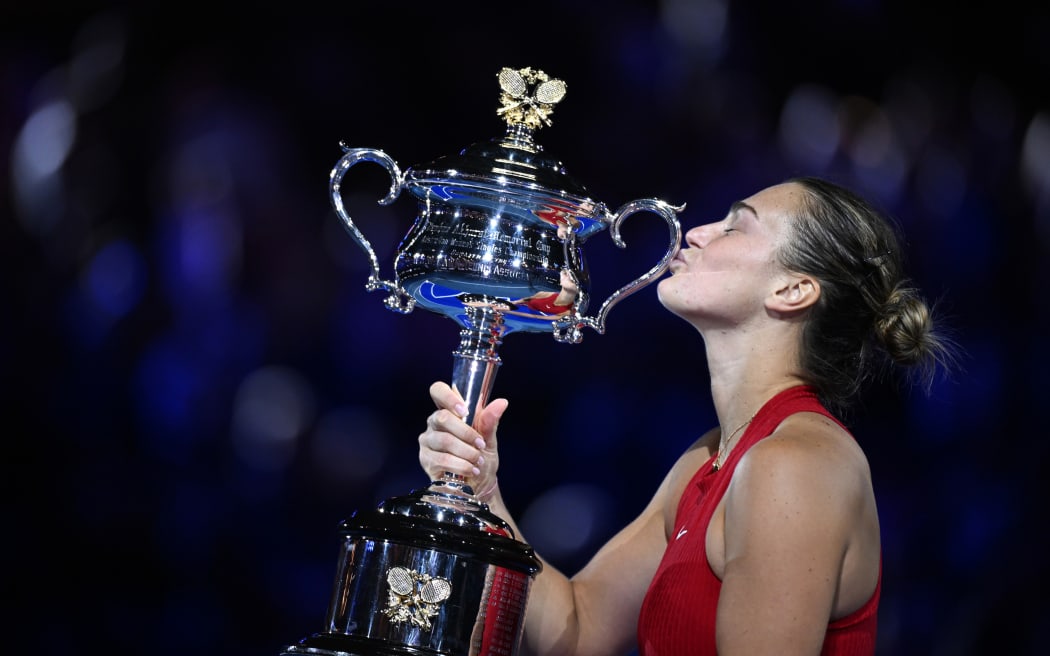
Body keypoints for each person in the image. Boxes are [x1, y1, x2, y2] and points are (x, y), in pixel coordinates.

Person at [418, 176, 953, 655]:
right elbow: (579, 629)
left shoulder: (794, 465)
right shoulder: (706, 458)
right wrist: (483, 492)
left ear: (792, 290)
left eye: (734, 227)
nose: (695, 232)